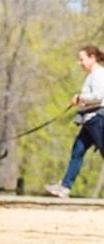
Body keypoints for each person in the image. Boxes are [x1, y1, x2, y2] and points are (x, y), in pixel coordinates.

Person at [45, 44, 104, 199]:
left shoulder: (99, 74)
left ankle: (65, 186)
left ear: (92, 58)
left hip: (97, 120)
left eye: (82, 59)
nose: (80, 63)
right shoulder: (92, 75)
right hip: (89, 121)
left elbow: (98, 96)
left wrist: (80, 98)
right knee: (77, 151)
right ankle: (65, 187)